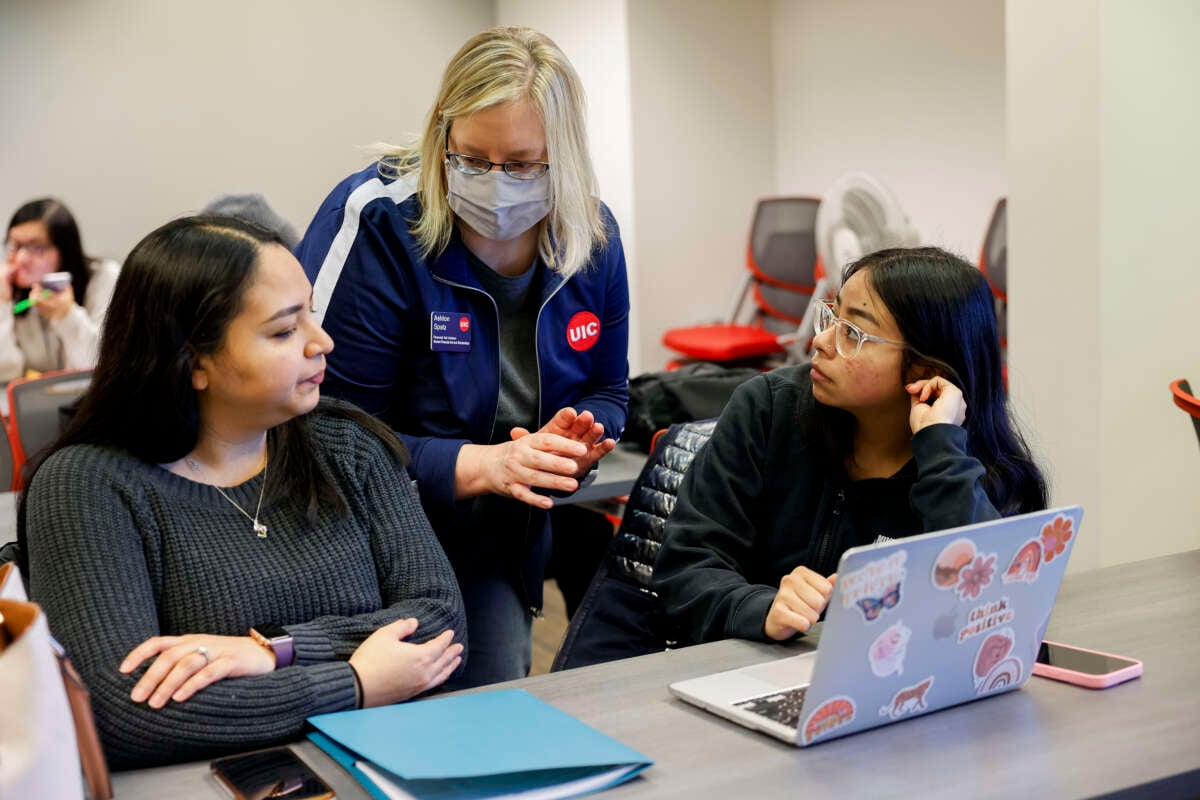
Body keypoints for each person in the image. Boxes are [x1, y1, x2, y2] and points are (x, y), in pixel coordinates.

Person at [19, 215, 466, 769]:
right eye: (283, 331)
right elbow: (125, 713)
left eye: (311, 315)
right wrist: (354, 683)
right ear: (194, 361)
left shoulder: (347, 443)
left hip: (389, 766)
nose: (321, 342)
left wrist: (271, 650)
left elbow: (441, 622)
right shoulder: (86, 486)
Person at [295, 26, 629, 686]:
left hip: (496, 535)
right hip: (362, 537)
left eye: (521, 164)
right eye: (471, 158)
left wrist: (574, 441)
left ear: (560, 156)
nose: (494, 183)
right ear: (440, 136)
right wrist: (475, 464)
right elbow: (327, 430)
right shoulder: (379, 223)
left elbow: (609, 392)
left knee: (492, 710)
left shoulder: (590, 236)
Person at [653, 247, 1047, 646]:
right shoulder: (769, 409)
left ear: (925, 372)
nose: (820, 342)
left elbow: (992, 615)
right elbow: (686, 564)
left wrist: (942, 451)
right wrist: (757, 607)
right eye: (832, 316)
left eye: (852, 333)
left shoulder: (981, 472)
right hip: (744, 670)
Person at [1, 198, 121, 382]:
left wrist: (66, 316)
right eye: (14, 245)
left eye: (36, 248)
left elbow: (97, 369)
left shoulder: (104, 279)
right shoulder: (10, 289)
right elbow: (5, 373)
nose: (21, 258)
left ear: (64, 250)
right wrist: (2, 305)